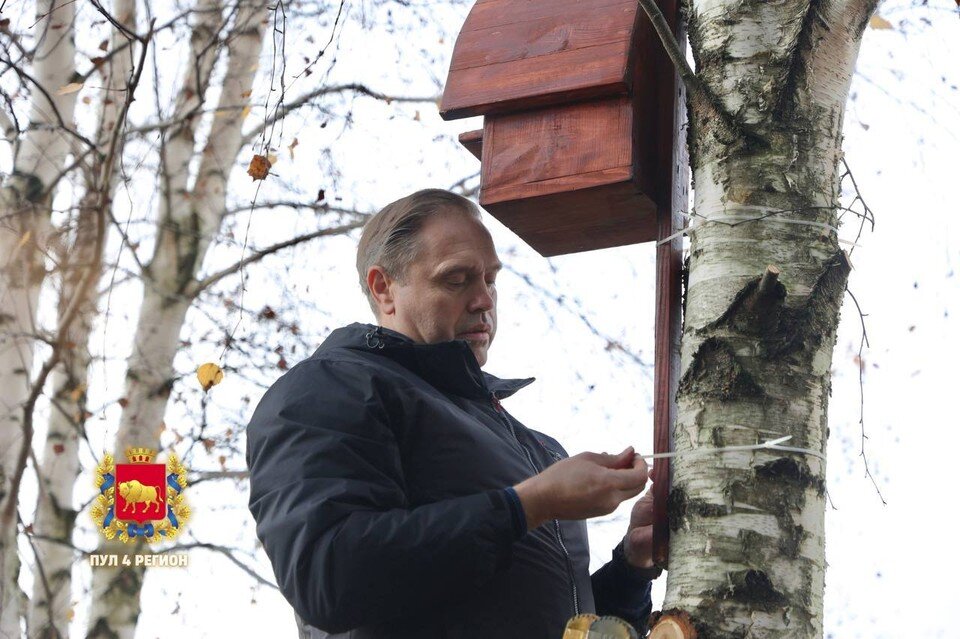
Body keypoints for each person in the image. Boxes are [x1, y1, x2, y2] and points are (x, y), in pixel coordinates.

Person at [246, 189, 662, 638]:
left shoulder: (535, 447)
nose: (484, 300)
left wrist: (632, 566)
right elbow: (326, 577)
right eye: (456, 279)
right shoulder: (330, 387)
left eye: (490, 279)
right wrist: (530, 504)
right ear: (384, 288)